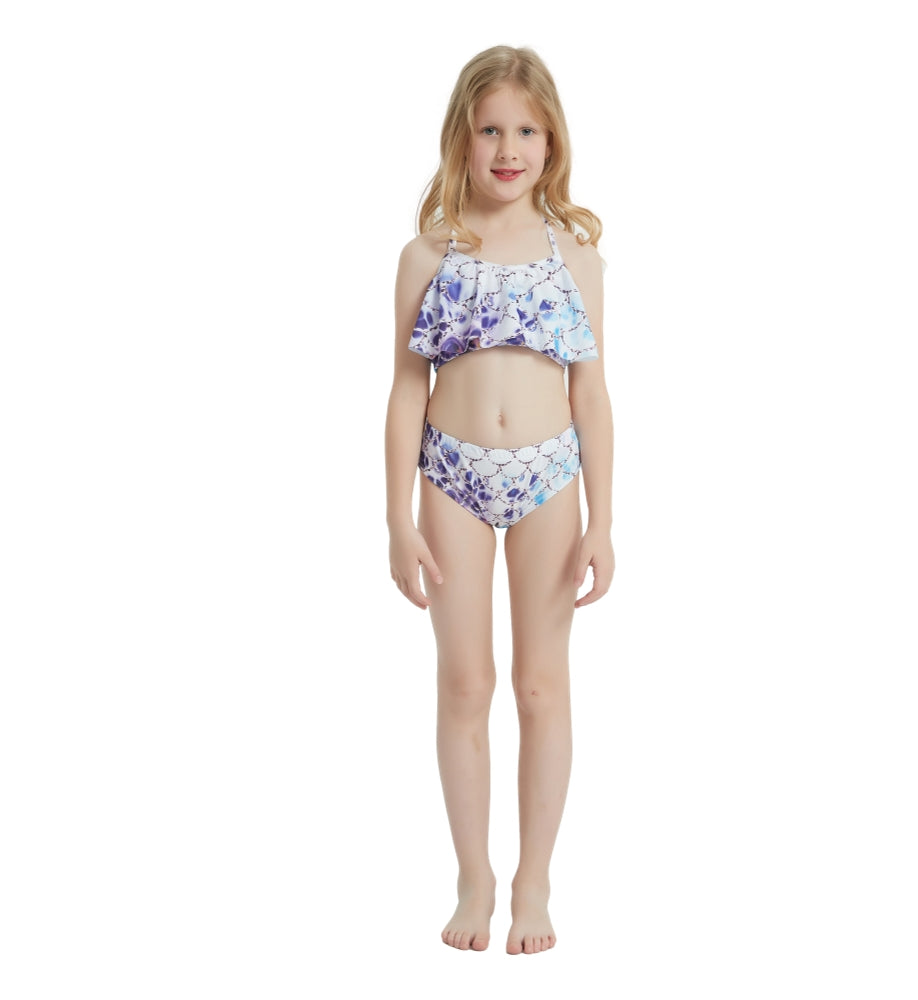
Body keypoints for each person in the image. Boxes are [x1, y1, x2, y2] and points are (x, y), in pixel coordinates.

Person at [384, 45, 614, 955]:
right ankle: (474, 875)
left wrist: (604, 519)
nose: (508, 149)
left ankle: (535, 880)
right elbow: (407, 388)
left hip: (550, 477)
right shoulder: (429, 254)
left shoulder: (577, 258)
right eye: (490, 130)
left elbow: (592, 393)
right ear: (462, 138)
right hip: (453, 478)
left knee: (541, 682)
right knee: (466, 681)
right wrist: (396, 518)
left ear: (551, 142)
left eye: (525, 130)